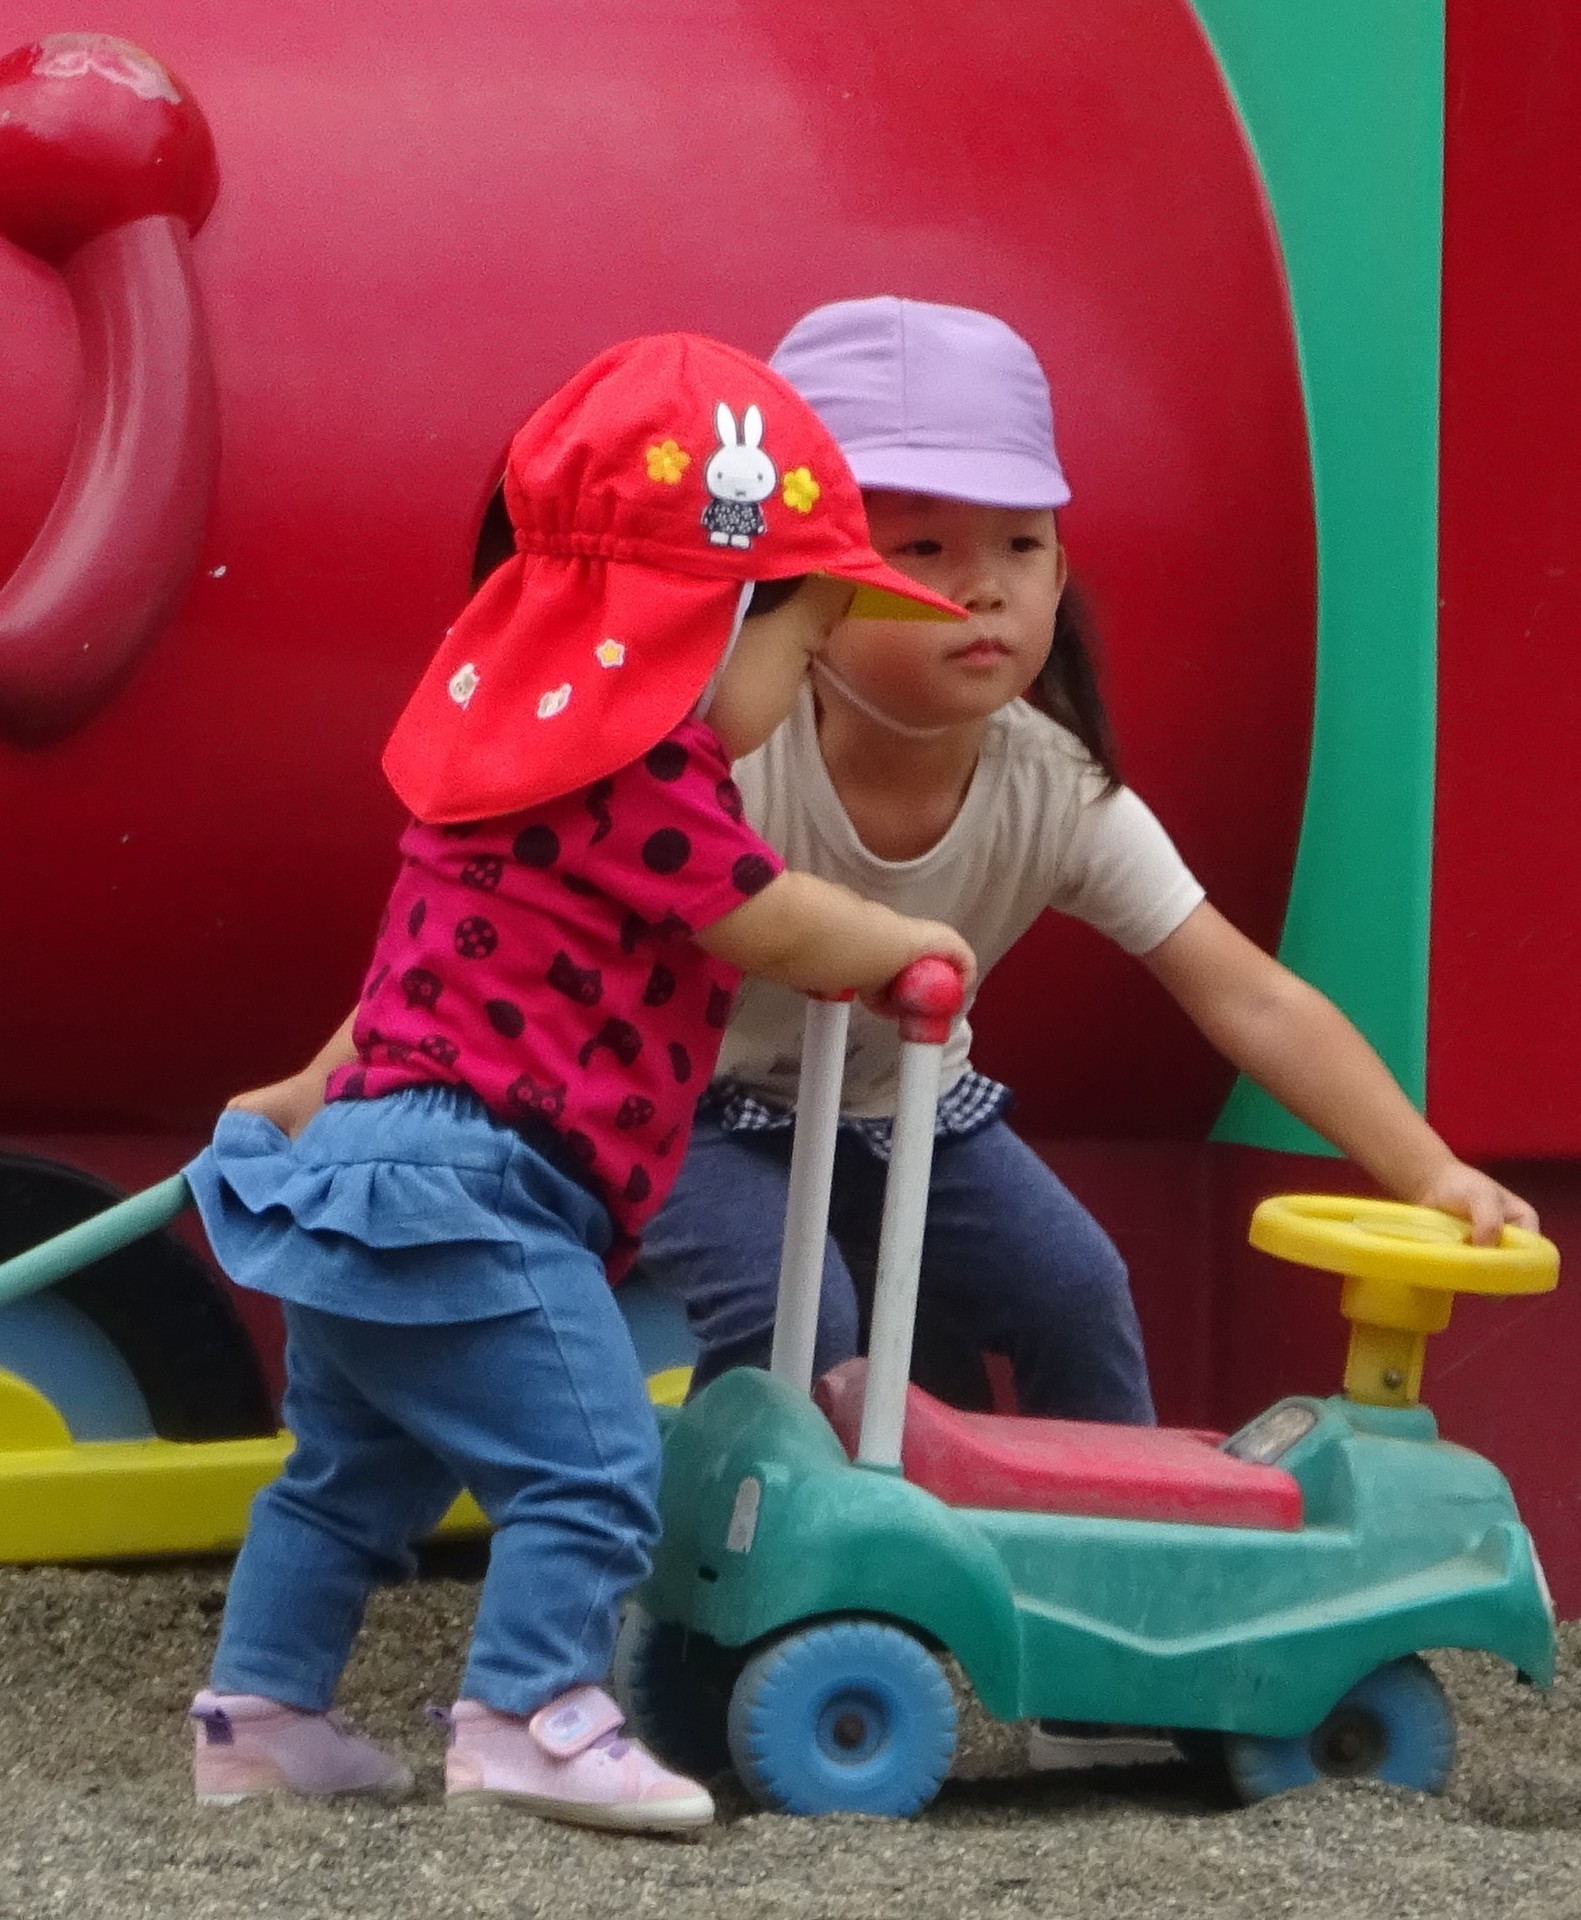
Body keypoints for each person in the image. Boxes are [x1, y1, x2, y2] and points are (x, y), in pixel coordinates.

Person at [182, 332, 975, 1831]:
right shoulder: (642, 780)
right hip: (475, 1191)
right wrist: (901, 943)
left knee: (347, 1478)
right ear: (705, 620)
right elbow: (764, 916)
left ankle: (264, 1711)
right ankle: (532, 1717)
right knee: (601, 1460)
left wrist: (297, 1094)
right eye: (797, 652)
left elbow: (410, 996)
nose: (796, 692)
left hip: (373, 1164)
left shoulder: (495, 771)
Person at [636, 295, 1538, 1432]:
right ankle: (691, 1585)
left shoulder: (1052, 786)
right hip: (689, 1109)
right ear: (804, 584)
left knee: (1078, 1291)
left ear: (1062, 575)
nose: (987, 590)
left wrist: (1428, 1171)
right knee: (795, 1311)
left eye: (1021, 545)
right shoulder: (728, 762)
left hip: (910, 1107)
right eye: (923, 547)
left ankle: (1117, 1566)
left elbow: (1245, 991)